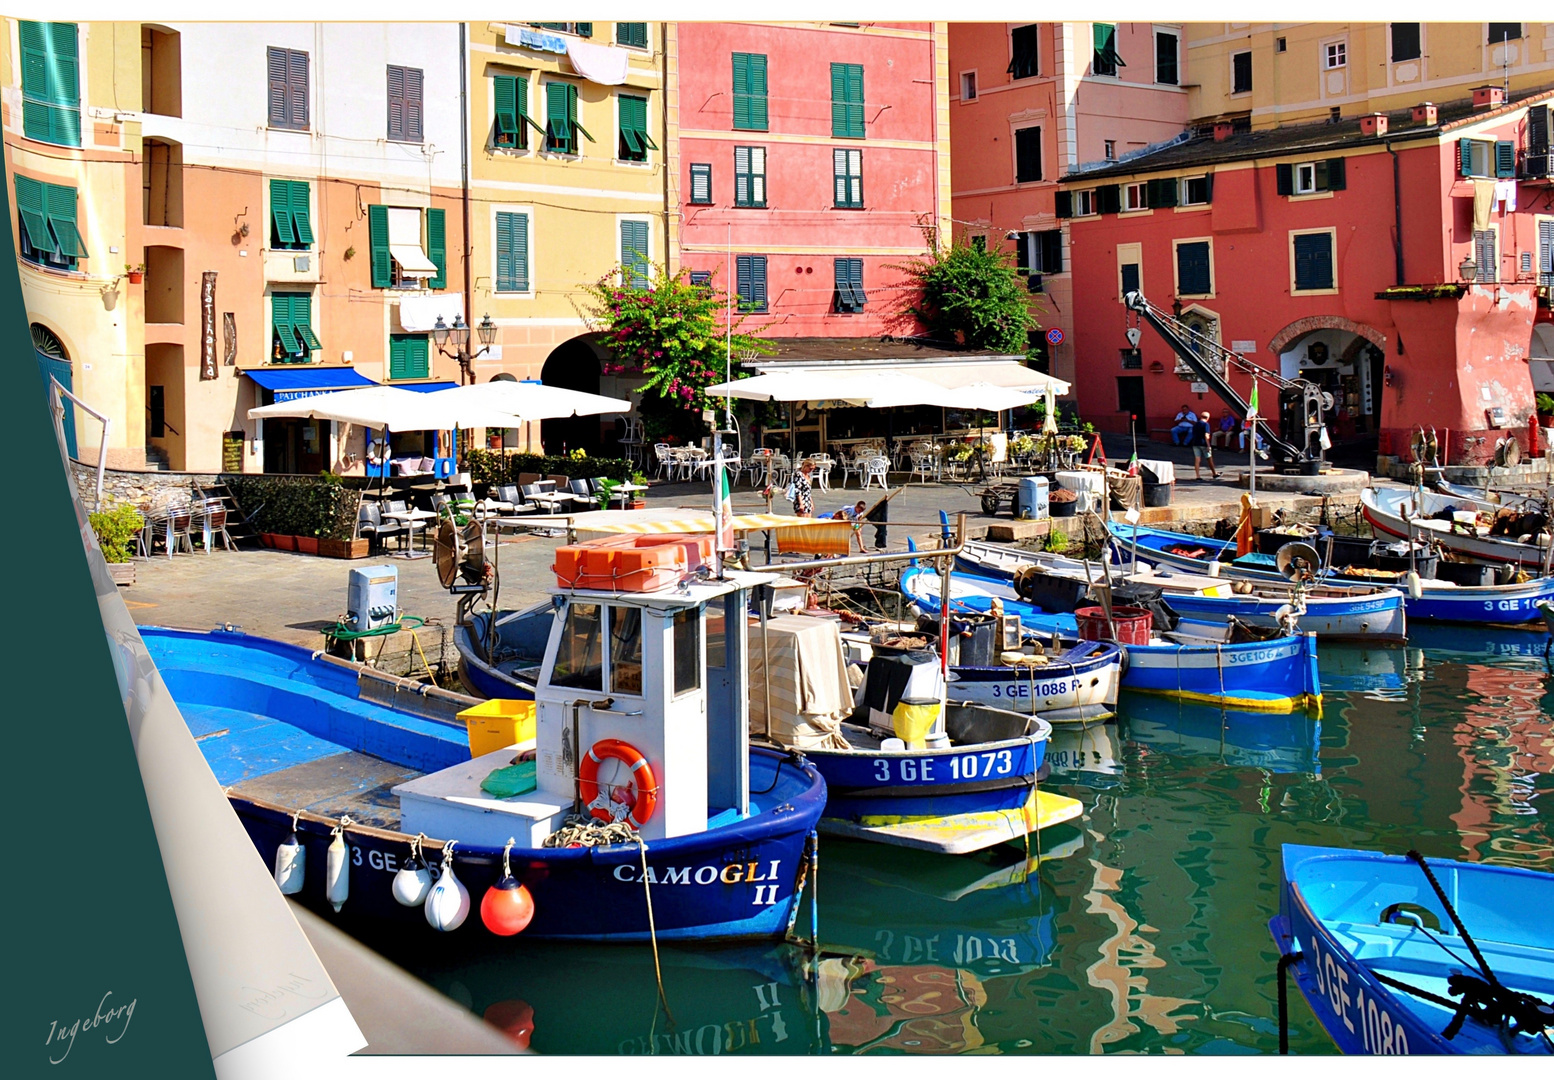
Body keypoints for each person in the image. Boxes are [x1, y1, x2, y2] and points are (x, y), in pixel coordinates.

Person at [1190, 411, 1219, 480]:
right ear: (1208, 418)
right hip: (1203, 444)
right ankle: (1214, 473)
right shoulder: (1206, 424)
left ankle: (1198, 476)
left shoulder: (1195, 424)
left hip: (1195, 443)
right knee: (1209, 458)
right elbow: (1206, 435)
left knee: (1197, 459)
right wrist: (1208, 445)